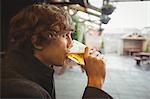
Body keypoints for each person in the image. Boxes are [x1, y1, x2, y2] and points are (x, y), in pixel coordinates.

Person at [1, 3, 113, 99]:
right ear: (38, 42)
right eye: (64, 35)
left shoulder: (22, 68)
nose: (71, 44)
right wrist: (95, 83)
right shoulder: (21, 92)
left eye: (71, 35)